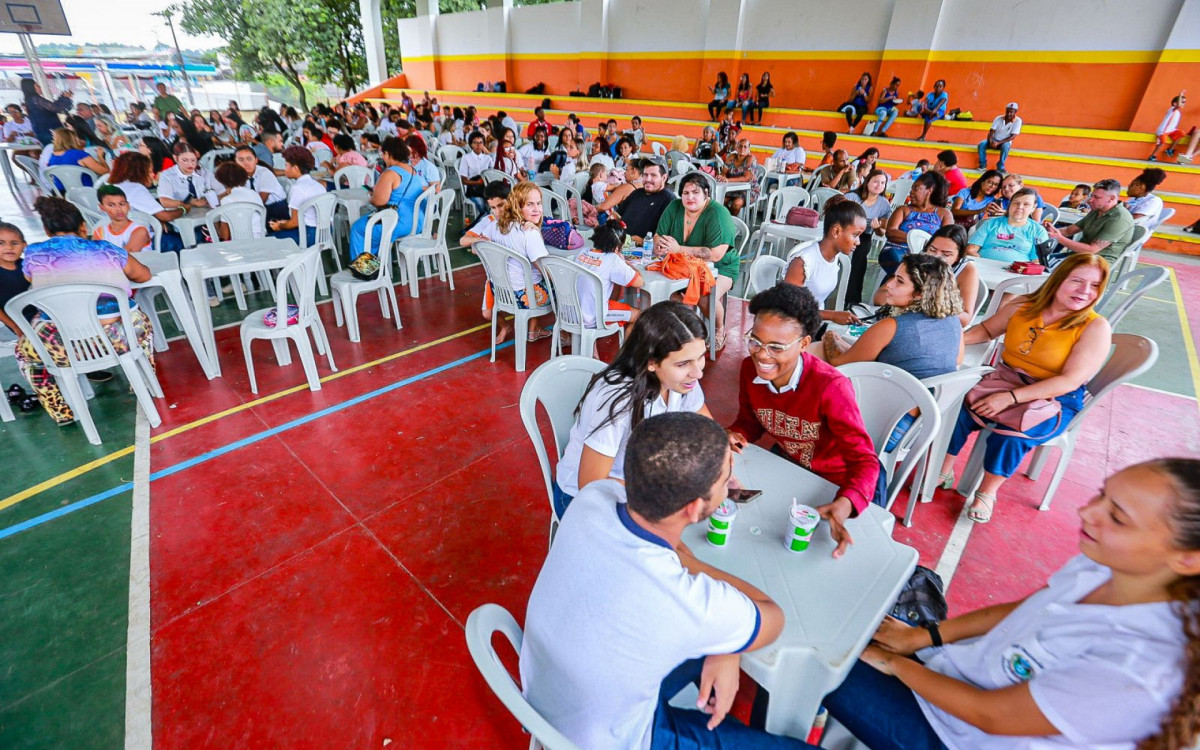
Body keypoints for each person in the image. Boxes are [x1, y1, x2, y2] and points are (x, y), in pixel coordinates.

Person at [824, 457, 1200, 750]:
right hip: (959, 680)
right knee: (845, 614)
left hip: (958, 736)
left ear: (1188, 559)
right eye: (1102, 494)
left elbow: (991, 717)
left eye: (1117, 518)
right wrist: (923, 638)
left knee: (813, 650)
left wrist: (894, 662)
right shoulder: (1108, 562)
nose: (1088, 512)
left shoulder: (1139, 669)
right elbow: (1036, 604)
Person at [524, 411, 805, 750]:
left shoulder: (593, 497)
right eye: (725, 480)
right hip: (619, 738)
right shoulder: (682, 598)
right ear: (694, 508)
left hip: (547, 692)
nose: (731, 481)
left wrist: (724, 642)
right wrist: (697, 574)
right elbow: (772, 616)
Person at [939, 253, 1112, 522]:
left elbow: (1070, 381)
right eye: (1077, 281)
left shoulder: (1095, 327)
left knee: (1011, 431)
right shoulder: (1022, 305)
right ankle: (943, 469)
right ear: (1057, 280)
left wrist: (1010, 398)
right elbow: (986, 330)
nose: (1085, 291)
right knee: (955, 407)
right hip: (1005, 378)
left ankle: (987, 491)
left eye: (1094, 286)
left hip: (1053, 395)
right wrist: (949, 341)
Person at [727, 284, 880, 557]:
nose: (762, 355)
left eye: (776, 347)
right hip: (791, 467)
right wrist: (736, 434)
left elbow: (865, 461)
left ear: (804, 344)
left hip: (838, 482)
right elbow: (749, 422)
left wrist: (845, 504)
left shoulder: (830, 387)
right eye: (756, 341)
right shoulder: (749, 370)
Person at [553, 300, 709, 511]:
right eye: (683, 364)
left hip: (638, 479)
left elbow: (706, 429)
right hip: (581, 498)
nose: (698, 372)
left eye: (700, 358)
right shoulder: (617, 400)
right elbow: (591, 485)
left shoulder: (682, 381)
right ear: (651, 362)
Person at [15, 197, 153, 425]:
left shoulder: (33, 253)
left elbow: (29, 278)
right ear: (83, 227)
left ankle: (61, 412)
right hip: (119, 338)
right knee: (143, 327)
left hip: (61, 346)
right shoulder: (107, 249)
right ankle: (142, 383)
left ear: (46, 229)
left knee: (26, 352)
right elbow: (143, 275)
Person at [820, 253, 964, 449]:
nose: (888, 285)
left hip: (885, 427)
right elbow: (957, 360)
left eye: (899, 281)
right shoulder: (954, 322)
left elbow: (840, 364)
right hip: (924, 426)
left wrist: (829, 336)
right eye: (893, 277)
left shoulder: (891, 326)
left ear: (920, 293)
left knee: (814, 362)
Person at [655, 172, 738, 348]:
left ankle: (718, 330)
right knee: (668, 294)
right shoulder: (674, 207)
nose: (690, 197)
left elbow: (715, 255)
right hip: (682, 266)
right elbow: (658, 236)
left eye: (695, 192)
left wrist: (678, 249)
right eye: (686, 193)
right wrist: (661, 245)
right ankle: (682, 333)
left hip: (721, 267)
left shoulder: (718, 213)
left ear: (706, 193)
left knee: (705, 294)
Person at [475, 182, 553, 343]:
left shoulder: (494, 226)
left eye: (539, 204)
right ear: (516, 205)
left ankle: (532, 330)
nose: (537, 209)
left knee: (534, 278)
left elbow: (477, 247)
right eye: (530, 204)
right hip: (524, 296)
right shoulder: (528, 233)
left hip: (500, 291)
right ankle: (563, 335)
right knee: (562, 288)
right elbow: (545, 269)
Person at [784, 200, 867, 324]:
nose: (858, 242)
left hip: (812, 323)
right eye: (855, 235)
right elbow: (789, 309)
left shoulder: (834, 258)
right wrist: (831, 315)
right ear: (835, 231)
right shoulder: (803, 262)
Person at [345, 137, 424, 263]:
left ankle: (365, 269)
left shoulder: (390, 173)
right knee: (371, 228)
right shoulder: (413, 171)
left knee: (358, 229)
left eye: (383, 154)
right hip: (417, 222)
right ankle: (375, 260)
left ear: (388, 154)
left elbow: (379, 202)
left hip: (397, 222)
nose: (382, 157)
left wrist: (371, 197)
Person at [571, 224, 644, 351]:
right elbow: (639, 282)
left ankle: (592, 350)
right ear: (617, 247)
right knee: (640, 316)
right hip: (593, 316)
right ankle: (626, 357)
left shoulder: (583, 252)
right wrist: (625, 262)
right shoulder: (613, 260)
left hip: (572, 312)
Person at [897, 224, 980, 327]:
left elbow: (965, 319)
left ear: (958, 257)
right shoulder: (919, 262)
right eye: (932, 250)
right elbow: (879, 296)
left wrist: (933, 306)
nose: (936, 257)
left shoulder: (967, 270)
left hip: (937, 326)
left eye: (946, 254)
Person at [108, 152, 186, 254]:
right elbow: (166, 216)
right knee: (185, 242)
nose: (153, 175)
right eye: (149, 171)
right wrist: (183, 209)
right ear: (138, 172)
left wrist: (155, 221)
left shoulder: (112, 186)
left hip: (113, 242)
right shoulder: (135, 189)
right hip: (139, 246)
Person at [1044, 179, 1136, 265]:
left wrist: (1059, 238)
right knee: (1037, 262)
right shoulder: (1097, 210)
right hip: (1077, 256)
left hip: (1096, 263)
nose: (1090, 201)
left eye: (1096, 197)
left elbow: (1092, 250)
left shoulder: (1120, 219)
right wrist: (1047, 231)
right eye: (1092, 196)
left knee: (1043, 268)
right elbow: (1068, 231)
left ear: (1111, 198)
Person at [881, 171, 952, 275]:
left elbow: (946, 241)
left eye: (916, 188)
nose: (911, 192)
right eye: (912, 188)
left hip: (927, 257)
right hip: (896, 251)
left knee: (919, 270)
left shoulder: (944, 214)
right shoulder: (904, 210)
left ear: (929, 191)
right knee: (904, 267)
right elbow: (890, 232)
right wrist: (918, 240)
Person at [843, 168, 891, 304]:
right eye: (875, 181)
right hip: (846, 233)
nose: (879, 186)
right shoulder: (852, 197)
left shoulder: (884, 204)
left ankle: (852, 300)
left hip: (864, 237)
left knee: (859, 263)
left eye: (882, 183)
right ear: (867, 181)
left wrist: (877, 229)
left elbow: (881, 232)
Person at [967, 187, 1050, 264]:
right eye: (1016, 203)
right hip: (984, 269)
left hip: (1016, 276)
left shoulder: (1038, 231)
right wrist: (983, 264)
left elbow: (1037, 261)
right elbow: (971, 250)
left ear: (1033, 208)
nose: (1020, 207)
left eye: (1026, 204)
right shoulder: (990, 223)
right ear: (1010, 205)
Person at [267, 146, 326, 246]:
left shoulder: (297, 188)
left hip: (309, 235)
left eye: (286, 165)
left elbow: (295, 223)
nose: (284, 169)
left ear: (295, 168)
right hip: (325, 232)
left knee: (270, 239)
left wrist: (279, 226)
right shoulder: (318, 185)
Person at [614, 160, 675, 244]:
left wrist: (644, 242)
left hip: (646, 252)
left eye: (653, 175)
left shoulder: (669, 200)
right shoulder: (637, 193)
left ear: (664, 178)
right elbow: (618, 215)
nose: (647, 179)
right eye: (645, 175)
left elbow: (670, 238)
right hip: (620, 244)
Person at [231, 145, 287, 221]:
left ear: (256, 160)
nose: (246, 163)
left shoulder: (264, 173)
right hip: (256, 209)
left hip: (275, 211)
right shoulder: (237, 175)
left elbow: (261, 200)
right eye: (241, 160)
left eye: (249, 159)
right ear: (235, 162)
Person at [211, 162, 264, 241]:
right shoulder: (254, 194)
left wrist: (215, 221)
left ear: (221, 180)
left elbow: (225, 236)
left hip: (238, 243)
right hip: (260, 239)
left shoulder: (226, 200)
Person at [93, 185, 151, 253]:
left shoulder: (140, 231)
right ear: (102, 207)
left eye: (122, 204)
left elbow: (125, 256)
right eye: (111, 205)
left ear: (128, 206)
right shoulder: (100, 232)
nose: (118, 209)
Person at [0, 222, 30, 340]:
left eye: (14, 243)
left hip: (40, 315)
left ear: (24, 246)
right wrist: (15, 326)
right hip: (17, 321)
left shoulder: (28, 265)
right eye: (1, 243)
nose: (9, 248)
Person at [21, 78, 72, 145]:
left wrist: (62, 97)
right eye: (38, 86)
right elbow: (55, 108)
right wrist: (65, 98)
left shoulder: (29, 101)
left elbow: (51, 107)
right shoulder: (35, 99)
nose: (40, 87)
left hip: (41, 131)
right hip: (49, 131)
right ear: (32, 88)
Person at [718, 137, 759, 217]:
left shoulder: (751, 159)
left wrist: (728, 180)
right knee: (720, 200)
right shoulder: (732, 157)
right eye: (740, 146)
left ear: (748, 149)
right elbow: (724, 172)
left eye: (745, 146)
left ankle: (732, 223)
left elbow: (746, 178)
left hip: (747, 190)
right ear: (736, 147)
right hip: (731, 189)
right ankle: (727, 218)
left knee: (736, 204)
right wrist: (722, 177)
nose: (742, 148)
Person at [977, 102, 1022, 171]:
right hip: (994, 140)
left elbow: (1012, 137)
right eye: (1007, 111)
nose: (1009, 114)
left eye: (1011, 112)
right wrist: (991, 141)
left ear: (1015, 112)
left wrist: (998, 143)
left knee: (1006, 146)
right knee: (981, 144)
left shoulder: (1018, 121)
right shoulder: (998, 118)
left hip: (1004, 142)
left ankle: (1000, 166)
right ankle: (983, 165)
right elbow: (991, 132)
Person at [460, 130, 493, 217]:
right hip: (473, 188)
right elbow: (463, 181)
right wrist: (477, 182)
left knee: (492, 207)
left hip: (486, 188)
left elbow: (493, 174)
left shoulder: (488, 158)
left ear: (484, 144)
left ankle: (473, 228)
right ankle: (470, 229)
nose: (478, 145)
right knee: (484, 210)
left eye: (481, 143)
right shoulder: (466, 158)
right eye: (475, 143)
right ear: (471, 144)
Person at [1149, 92, 1188, 161]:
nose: (1183, 104)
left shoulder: (1178, 112)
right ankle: (1153, 155)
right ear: (1174, 104)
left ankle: (1170, 149)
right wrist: (1181, 95)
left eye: (1184, 102)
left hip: (1171, 130)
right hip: (1163, 130)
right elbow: (1178, 105)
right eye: (1182, 102)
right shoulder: (1172, 109)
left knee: (1181, 134)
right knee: (1162, 141)